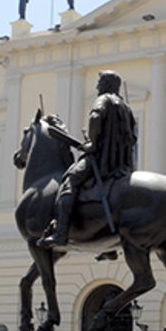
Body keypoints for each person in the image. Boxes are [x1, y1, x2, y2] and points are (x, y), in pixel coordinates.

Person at [38, 71, 138, 248]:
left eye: (100, 82)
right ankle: (107, 249)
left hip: (101, 160)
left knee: (69, 183)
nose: (97, 86)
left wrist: (92, 143)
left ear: (107, 84)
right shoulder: (126, 107)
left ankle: (61, 233)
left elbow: (95, 116)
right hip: (122, 165)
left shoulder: (104, 100)